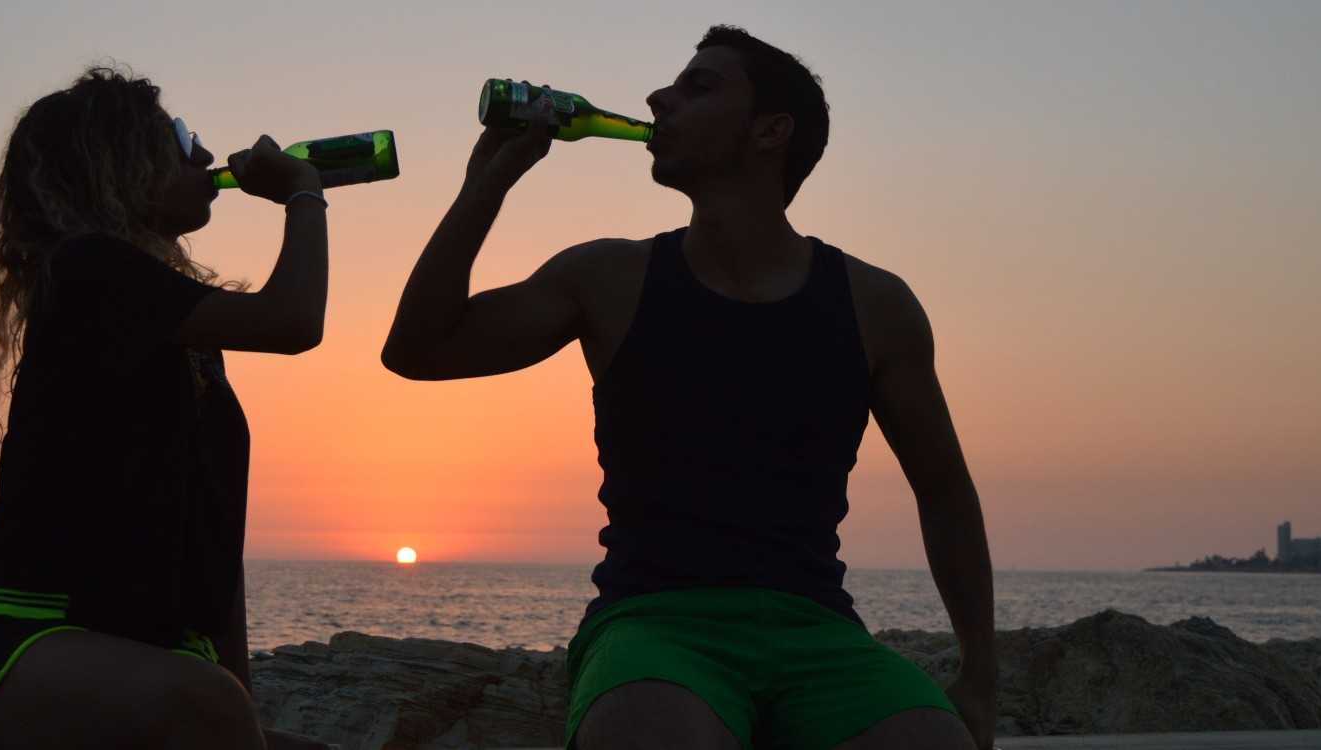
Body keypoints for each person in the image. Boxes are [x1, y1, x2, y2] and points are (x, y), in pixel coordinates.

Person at [383, 26, 996, 750]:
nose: (656, 98)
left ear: (771, 131)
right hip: (653, 624)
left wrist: (979, 679)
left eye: (699, 86)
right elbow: (420, 350)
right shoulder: (607, 279)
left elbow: (945, 491)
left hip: (819, 633)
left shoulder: (875, 304)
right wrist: (488, 182)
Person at [0, 65, 337, 750]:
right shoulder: (87, 270)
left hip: (154, 657)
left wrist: (240, 713)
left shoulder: (189, 339)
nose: (202, 154)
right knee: (207, 707)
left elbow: (218, 548)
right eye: (178, 137)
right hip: (19, 639)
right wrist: (304, 196)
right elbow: (293, 323)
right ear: (115, 162)